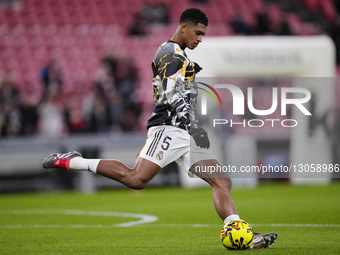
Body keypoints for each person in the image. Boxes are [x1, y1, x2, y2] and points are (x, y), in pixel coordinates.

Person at [42, 8, 277, 249]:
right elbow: (172, 94)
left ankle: (241, 235)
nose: (199, 39)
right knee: (136, 179)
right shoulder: (170, 54)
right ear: (183, 27)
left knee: (222, 181)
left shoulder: (178, 54)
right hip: (168, 128)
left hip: (183, 130)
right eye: (197, 33)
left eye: (203, 35)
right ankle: (73, 161)